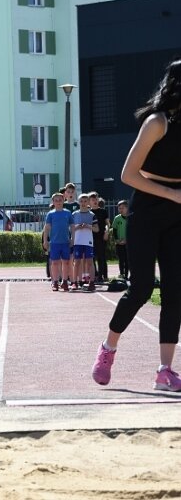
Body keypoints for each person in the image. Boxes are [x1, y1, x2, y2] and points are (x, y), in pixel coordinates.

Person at [92, 59, 181, 392]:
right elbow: (128, 175)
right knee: (141, 288)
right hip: (147, 210)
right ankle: (108, 349)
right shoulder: (157, 123)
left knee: (176, 292)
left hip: (177, 214)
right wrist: (171, 193)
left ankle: (165, 371)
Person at [42, 193, 74, 291]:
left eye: (60, 200)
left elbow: (72, 227)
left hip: (65, 242)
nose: (58, 202)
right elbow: (47, 228)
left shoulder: (68, 213)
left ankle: (65, 282)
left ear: (63, 200)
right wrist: (45, 241)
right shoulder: (50, 214)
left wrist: (73, 238)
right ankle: (55, 282)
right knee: (55, 263)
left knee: (66, 263)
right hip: (54, 243)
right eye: (56, 200)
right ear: (53, 202)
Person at [71, 192, 98, 291]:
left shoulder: (92, 215)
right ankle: (75, 282)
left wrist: (87, 226)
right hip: (77, 242)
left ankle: (92, 282)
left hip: (88, 242)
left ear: (88, 202)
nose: (83, 203)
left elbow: (97, 229)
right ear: (78, 202)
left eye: (85, 201)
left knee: (90, 262)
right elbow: (71, 228)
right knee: (76, 262)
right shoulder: (74, 214)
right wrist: (78, 227)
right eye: (81, 201)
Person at [89, 191, 110, 283]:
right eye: (93, 199)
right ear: (89, 201)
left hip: (101, 237)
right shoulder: (88, 212)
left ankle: (104, 276)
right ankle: (95, 275)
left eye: (96, 199)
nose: (95, 201)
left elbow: (108, 224)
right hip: (90, 238)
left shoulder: (103, 211)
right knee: (92, 258)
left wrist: (107, 231)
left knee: (102, 257)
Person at [62, 183, 80, 284]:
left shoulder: (77, 205)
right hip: (64, 233)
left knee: (75, 258)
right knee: (66, 258)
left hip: (76, 233)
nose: (70, 194)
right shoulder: (62, 205)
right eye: (68, 192)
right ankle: (65, 277)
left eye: (72, 192)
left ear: (75, 193)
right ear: (65, 193)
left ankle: (76, 278)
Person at [110, 199, 129, 279]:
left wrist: (127, 240)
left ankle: (126, 275)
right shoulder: (117, 218)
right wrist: (117, 240)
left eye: (122, 208)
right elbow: (114, 230)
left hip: (128, 243)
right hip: (119, 243)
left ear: (127, 208)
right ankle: (121, 274)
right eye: (119, 208)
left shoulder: (131, 218)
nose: (120, 210)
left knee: (128, 260)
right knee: (121, 259)